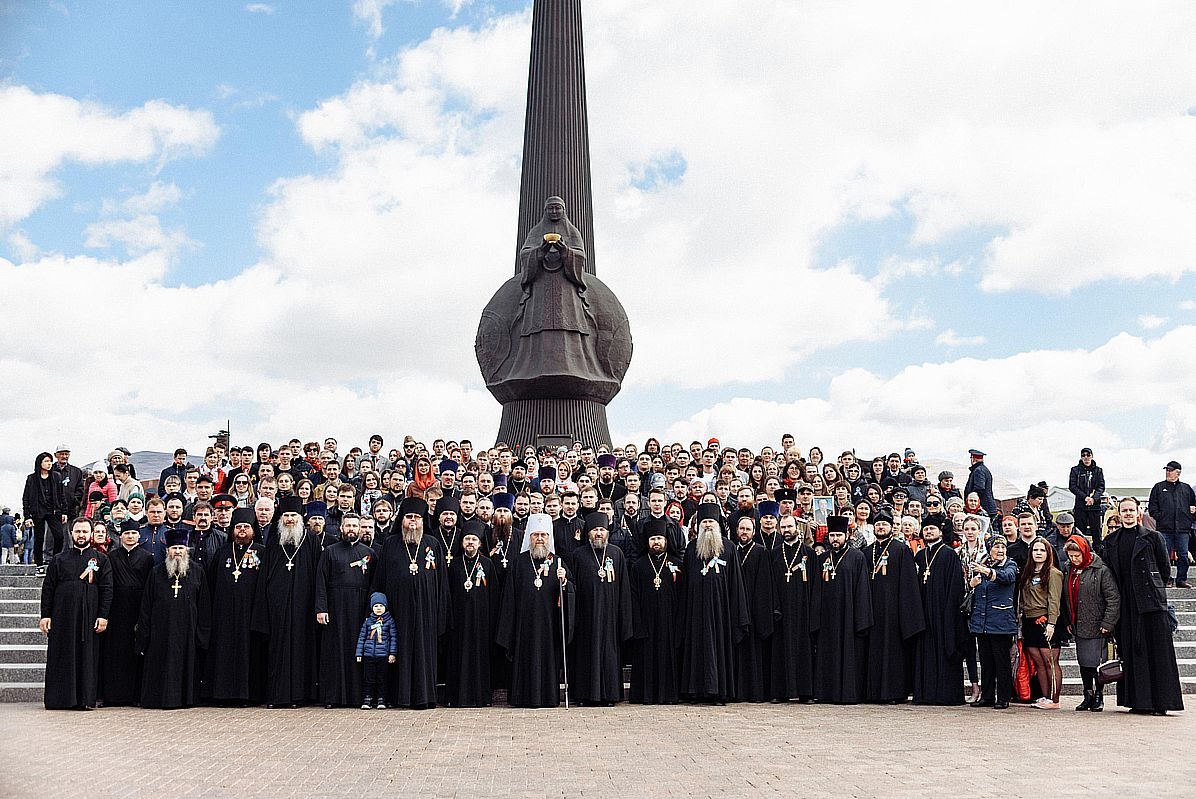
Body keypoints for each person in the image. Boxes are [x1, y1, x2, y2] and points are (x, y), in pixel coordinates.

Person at [1103, 497, 1184, 715]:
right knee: (1132, 652)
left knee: (1158, 653)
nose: (1128, 513)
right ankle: (1138, 702)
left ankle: (1161, 703)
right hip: (1126, 604)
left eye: (1131, 510)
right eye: (1124, 510)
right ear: (1119, 514)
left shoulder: (1153, 537)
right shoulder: (1111, 541)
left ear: (1138, 512)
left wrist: (1152, 589)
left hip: (1151, 603)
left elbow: (1164, 570)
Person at [371, 497, 449, 709]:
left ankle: (425, 697)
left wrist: (441, 614)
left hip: (427, 612)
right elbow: (380, 580)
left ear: (424, 520)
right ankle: (400, 697)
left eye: (417, 517)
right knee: (398, 652)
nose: (412, 521)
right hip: (397, 612)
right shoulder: (390, 543)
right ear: (402, 520)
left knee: (424, 655)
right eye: (408, 517)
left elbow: (442, 583)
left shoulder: (433, 544)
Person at [495, 513, 575, 708]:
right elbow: (509, 597)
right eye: (535, 535)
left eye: (544, 535)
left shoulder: (557, 562)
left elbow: (570, 592)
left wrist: (565, 581)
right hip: (524, 626)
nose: (539, 539)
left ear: (549, 538)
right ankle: (522, 697)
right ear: (529, 537)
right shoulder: (518, 562)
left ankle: (548, 697)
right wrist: (509, 629)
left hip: (549, 626)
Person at [251, 495, 321, 707]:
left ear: (301, 518)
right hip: (277, 607)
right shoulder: (274, 540)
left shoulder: (311, 540)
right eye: (286, 515)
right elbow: (264, 576)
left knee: (301, 649)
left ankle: (299, 696)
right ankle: (276, 696)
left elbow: (318, 575)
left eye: (293, 515)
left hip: (303, 606)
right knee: (277, 650)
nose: (290, 519)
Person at [678, 504, 749, 703]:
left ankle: (719, 692)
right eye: (704, 522)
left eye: (711, 522)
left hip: (721, 612)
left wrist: (738, 615)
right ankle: (695, 691)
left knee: (719, 649)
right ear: (699, 525)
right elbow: (685, 583)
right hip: (695, 611)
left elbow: (736, 584)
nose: (708, 525)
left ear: (718, 525)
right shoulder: (692, 548)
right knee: (696, 648)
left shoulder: (729, 548)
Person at [39, 517, 112, 710]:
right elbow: (48, 588)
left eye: (84, 531)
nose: (81, 535)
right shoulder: (59, 559)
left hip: (88, 618)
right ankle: (60, 699)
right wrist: (45, 615)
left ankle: (84, 700)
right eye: (77, 531)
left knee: (87, 657)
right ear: (71, 533)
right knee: (62, 656)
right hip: (62, 617)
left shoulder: (102, 559)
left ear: (91, 534)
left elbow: (107, 589)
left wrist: (103, 615)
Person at [137, 527, 211, 709]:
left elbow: (204, 605)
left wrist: (202, 635)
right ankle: (159, 699)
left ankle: (185, 699)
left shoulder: (197, 571)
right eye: (174, 548)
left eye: (181, 548)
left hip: (188, 631)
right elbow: (146, 605)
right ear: (167, 550)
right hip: (161, 631)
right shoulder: (156, 572)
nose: (177, 551)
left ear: (187, 550)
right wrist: (144, 634)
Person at [566, 513, 633, 705]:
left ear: (607, 532)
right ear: (588, 533)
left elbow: (624, 588)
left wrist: (624, 618)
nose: (598, 533)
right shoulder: (578, 555)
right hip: (585, 616)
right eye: (595, 530)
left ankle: (609, 695)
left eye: (601, 530)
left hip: (610, 616)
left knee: (609, 655)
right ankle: (584, 695)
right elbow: (573, 585)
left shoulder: (616, 553)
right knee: (585, 654)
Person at [205, 507, 267, 705]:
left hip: (250, 614)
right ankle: (223, 695)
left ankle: (247, 696)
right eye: (239, 526)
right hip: (224, 615)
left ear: (253, 530)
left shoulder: (262, 552)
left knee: (250, 654)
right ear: (232, 529)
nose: (242, 530)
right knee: (223, 653)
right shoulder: (222, 552)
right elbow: (212, 583)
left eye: (246, 527)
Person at [862, 510, 925, 704]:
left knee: (893, 653)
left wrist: (906, 613)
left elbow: (909, 584)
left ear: (891, 528)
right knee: (872, 652)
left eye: (884, 524)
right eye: (878, 524)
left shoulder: (901, 550)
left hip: (894, 612)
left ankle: (894, 693)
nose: (881, 527)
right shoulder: (866, 552)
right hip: (871, 609)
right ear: (873, 528)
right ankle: (873, 692)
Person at [314, 512, 374, 708]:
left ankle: (357, 696)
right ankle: (333, 697)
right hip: (336, 607)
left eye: (354, 526)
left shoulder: (369, 553)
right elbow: (321, 582)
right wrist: (321, 608)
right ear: (341, 528)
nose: (351, 529)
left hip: (360, 608)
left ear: (359, 528)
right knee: (334, 652)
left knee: (358, 652)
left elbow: (375, 584)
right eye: (347, 526)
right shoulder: (330, 551)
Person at [813, 515, 872, 704]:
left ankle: (848, 695)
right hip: (827, 617)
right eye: (832, 535)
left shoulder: (857, 557)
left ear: (847, 535)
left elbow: (863, 589)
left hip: (849, 616)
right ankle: (826, 693)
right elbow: (816, 590)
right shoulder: (822, 558)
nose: (835, 539)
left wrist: (861, 620)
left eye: (839, 535)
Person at [628, 516, 684, 704]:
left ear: (666, 541)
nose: (656, 542)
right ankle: (646, 696)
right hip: (646, 622)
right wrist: (638, 623)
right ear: (648, 542)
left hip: (670, 621)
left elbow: (683, 595)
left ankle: (668, 696)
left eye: (660, 539)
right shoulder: (638, 566)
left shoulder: (677, 563)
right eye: (653, 539)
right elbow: (633, 597)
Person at [912, 520, 967, 706]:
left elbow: (956, 585)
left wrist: (949, 612)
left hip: (944, 612)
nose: (928, 532)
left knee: (944, 650)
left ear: (940, 532)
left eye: (932, 529)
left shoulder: (949, 554)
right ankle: (926, 694)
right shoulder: (920, 555)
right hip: (924, 611)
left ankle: (946, 695)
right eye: (925, 529)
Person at [1062, 534, 1120, 711]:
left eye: (1077, 555)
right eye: (1071, 556)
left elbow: (1113, 598)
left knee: (1096, 663)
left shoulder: (1101, 570)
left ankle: (1098, 695)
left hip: (1097, 625)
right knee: (1084, 662)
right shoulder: (1068, 569)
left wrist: (1108, 623)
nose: (1074, 559)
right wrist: (1068, 620)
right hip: (1078, 624)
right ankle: (1087, 694)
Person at [444, 524, 498, 707]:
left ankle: (480, 698)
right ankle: (458, 697)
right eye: (467, 539)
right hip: (459, 622)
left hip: (481, 622)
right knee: (458, 659)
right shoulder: (454, 565)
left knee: (479, 659)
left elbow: (494, 595)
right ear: (462, 542)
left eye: (474, 540)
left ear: (480, 543)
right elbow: (448, 593)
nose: (470, 543)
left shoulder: (488, 564)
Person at [100, 523, 153, 706]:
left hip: (138, 608)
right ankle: (112, 696)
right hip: (117, 609)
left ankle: (136, 696)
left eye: (133, 533)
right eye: (127, 533)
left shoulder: (147, 558)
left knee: (136, 652)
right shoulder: (111, 557)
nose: (130, 536)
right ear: (120, 536)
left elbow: (149, 586)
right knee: (115, 653)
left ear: (139, 536)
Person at [769, 514, 819, 703]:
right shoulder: (774, 553)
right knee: (781, 650)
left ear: (797, 528)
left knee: (803, 651)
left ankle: (805, 693)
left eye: (790, 526)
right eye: (784, 527)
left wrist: (813, 612)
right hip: (782, 611)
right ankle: (781, 692)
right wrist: (775, 607)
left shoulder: (809, 553)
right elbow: (771, 583)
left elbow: (816, 585)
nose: (787, 530)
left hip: (803, 610)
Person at [731, 515, 779, 702]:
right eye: (741, 529)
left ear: (754, 531)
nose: (744, 532)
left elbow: (765, 585)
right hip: (735, 610)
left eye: (747, 529)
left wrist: (760, 612)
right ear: (736, 531)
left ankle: (755, 693)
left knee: (754, 654)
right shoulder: (731, 550)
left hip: (754, 611)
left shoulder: (760, 552)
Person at [967, 536, 1018, 709]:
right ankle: (987, 696)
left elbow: (1007, 577)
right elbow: (977, 590)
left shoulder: (1010, 564)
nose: (1000, 550)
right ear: (989, 549)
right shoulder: (983, 563)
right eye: (996, 547)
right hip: (982, 622)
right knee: (986, 662)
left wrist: (987, 571)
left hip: (1001, 622)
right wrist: (971, 583)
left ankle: (1003, 697)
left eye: (1003, 547)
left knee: (1001, 662)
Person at [1018, 537, 1065, 709]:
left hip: (1045, 619)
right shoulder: (1028, 572)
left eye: (1042, 550)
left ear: (1048, 553)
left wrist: (1052, 623)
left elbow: (1054, 600)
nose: (1038, 553)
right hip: (1029, 620)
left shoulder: (1053, 573)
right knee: (1038, 662)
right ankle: (1045, 697)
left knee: (1050, 661)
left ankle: (1055, 699)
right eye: (1035, 550)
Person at [1147, 460, 1195, 588]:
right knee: (1164, 556)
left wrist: (1190, 515)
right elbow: (1152, 506)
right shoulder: (1158, 487)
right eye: (1167, 470)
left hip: (1183, 529)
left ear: (1178, 473)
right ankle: (1166, 579)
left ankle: (1181, 580)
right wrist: (1159, 517)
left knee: (1184, 555)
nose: (1167, 472)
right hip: (1164, 528)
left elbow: (1193, 505)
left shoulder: (1186, 488)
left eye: (1170, 470)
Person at [24, 452, 65, 574]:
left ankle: (55, 561)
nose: (49, 464)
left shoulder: (56, 476)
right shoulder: (32, 478)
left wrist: (64, 512)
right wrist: (27, 516)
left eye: (50, 461)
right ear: (40, 463)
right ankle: (39, 564)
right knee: (39, 538)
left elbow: (61, 495)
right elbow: (26, 497)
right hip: (37, 512)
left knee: (59, 535)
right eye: (46, 461)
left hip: (53, 511)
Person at [355, 592, 397, 709]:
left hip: (383, 655)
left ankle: (381, 699)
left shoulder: (389, 621)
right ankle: (367, 699)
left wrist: (392, 653)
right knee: (368, 678)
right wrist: (359, 653)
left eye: (381, 606)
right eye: (376, 606)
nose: (378, 608)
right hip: (369, 654)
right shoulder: (368, 621)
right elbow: (362, 637)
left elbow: (393, 638)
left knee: (382, 679)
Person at [1069, 448, 1106, 544]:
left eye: (1088, 455)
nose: (1086, 457)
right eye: (1083, 455)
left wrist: (1094, 498)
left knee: (1096, 532)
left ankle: (1098, 551)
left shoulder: (1098, 471)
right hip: (1081, 506)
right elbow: (1072, 486)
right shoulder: (1075, 470)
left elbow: (1101, 486)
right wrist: (1085, 497)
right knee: (1079, 532)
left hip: (1094, 507)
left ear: (1092, 456)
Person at [963, 449, 997, 517]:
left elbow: (979, 488)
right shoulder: (984, 469)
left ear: (973, 459)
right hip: (988, 507)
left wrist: (971, 499)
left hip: (984, 507)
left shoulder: (978, 471)